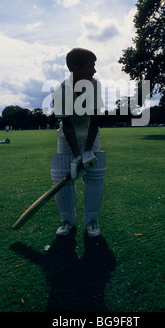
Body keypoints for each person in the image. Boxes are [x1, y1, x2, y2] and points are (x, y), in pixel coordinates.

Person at [50, 48, 106, 237]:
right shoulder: (60, 91)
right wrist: (76, 156)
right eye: (92, 66)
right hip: (68, 137)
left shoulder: (95, 85)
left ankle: (92, 222)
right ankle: (67, 221)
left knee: (94, 177)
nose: (94, 71)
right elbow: (67, 125)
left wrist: (87, 152)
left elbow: (95, 120)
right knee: (62, 177)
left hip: (90, 134)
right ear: (76, 68)